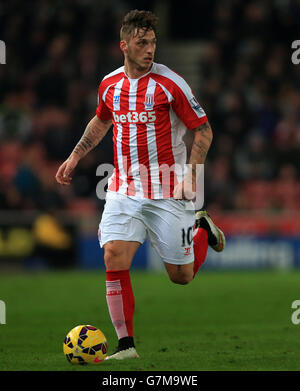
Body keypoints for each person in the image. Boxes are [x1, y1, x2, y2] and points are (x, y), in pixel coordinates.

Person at [55, 9, 225, 360]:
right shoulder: (109, 84)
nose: (150, 49)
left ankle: (202, 229)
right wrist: (75, 156)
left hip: (168, 188)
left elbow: (203, 129)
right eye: (142, 43)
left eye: (153, 43)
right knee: (113, 255)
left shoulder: (171, 83)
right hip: (123, 188)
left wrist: (192, 176)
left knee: (181, 276)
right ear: (124, 45)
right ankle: (125, 345)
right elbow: (101, 122)